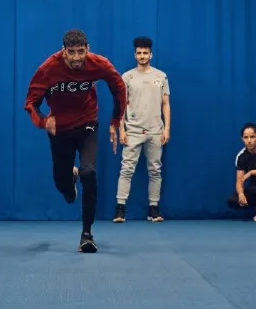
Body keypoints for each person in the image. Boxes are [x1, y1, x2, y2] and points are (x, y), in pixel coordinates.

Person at [24, 29, 127, 253]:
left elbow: (119, 88)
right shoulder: (49, 68)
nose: (77, 57)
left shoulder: (98, 64)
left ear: (87, 49)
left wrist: (115, 122)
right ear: (64, 52)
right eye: (72, 53)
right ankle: (69, 180)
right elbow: (31, 102)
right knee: (62, 185)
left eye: (81, 52)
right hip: (59, 128)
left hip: (87, 123)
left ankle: (87, 234)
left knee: (89, 172)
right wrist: (43, 121)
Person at [114, 37, 171, 223]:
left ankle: (154, 208)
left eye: (145, 53)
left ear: (151, 54)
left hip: (155, 131)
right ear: (134, 54)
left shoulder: (160, 76)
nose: (142, 56)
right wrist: (121, 129)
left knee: (155, 170)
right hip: (133, 131)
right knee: (126, 169)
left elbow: (165, 104)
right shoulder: (127, 77)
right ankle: (120, 208)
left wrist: (167, 129)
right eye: (139, 53)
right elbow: (121, 105)